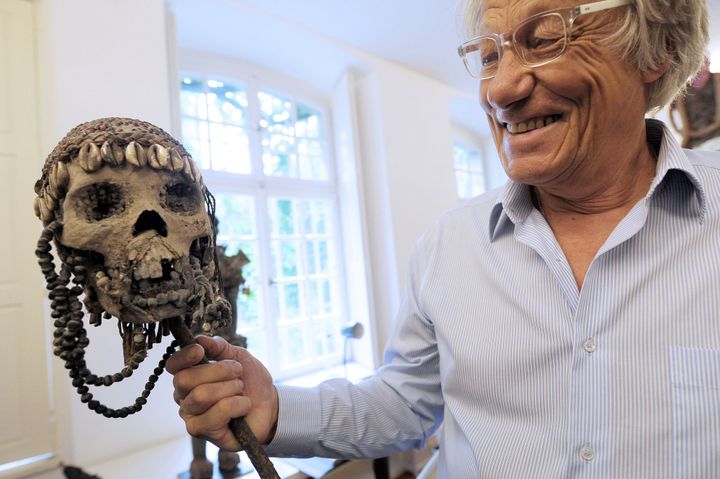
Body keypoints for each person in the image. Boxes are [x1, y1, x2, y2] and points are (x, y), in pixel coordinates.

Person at [167, 0, 720, 476]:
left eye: (546, 38)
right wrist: (277, 410)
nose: (499, 89)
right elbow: (406, 404)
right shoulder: (448, 246)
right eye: (489, 57)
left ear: (657, 50)